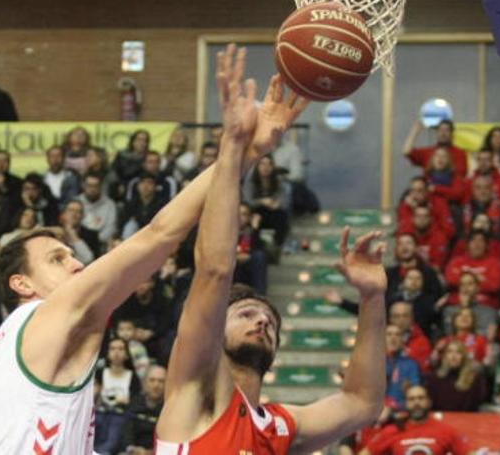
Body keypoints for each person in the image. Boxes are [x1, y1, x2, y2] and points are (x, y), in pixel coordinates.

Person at [0, 44, 308, 453]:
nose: (76, 263)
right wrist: (243, 151)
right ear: (22, 283)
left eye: (71, 253)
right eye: (57, 259)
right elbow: (160, 233)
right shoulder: (45, 314)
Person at [157, 51, 384, 453]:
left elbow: (361, 404)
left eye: (270, 322)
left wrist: (371, 297)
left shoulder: (278, 425)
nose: (262, 322)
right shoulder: (193, 391)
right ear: (214, 330)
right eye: (246, 314)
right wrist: (236, 148)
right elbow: (213, 271)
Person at [360, 385, 469, 454]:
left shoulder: (446, 431)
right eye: (411, 399)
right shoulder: (392, 431)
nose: (416, 403)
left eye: (421, 398)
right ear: (406, 404)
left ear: (429, 402)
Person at [95, 338, 142, 454]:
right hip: (100, 413)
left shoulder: (133, 377)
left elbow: (136, 401)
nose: (116, 352)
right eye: (112, 349)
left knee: (115, 431)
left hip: (121, 414)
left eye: (121, 349)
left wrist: (127, 401)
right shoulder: (100, 373)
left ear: (126, 354)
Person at [425, 340, 488, 412]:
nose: (453, 356)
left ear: (464, 356)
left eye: (458, 352)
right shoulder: (434, 379)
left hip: (466, 420)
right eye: (450, 352)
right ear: (445, 356)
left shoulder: (475, 379)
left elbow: (478, 403)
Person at [121, 365, 166, 455]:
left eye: (161, 381)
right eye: (152, 380)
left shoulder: (170, 410)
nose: (156, 385)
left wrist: (147, 453)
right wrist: (131, 448)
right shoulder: (135, 403)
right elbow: (127, 431)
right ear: (144, 383)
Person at [402, 118, 468, 177]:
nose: (443, 133)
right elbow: (406, 151)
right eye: (440, 130)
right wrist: (415, 130)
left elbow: (461, 176)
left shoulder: (460, 153)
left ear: (452, 133)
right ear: (436, 133)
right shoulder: (428, 152)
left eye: (447, 130)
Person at [77, 173, 118, 247]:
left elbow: (111, 228)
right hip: (81, 242)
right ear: (83, 186)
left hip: (101, 243)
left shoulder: (110, 204)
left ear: (100, 187)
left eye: (96, 186)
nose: (92, 189)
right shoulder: (76, 202)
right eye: (89, 185)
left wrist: (96, 240)